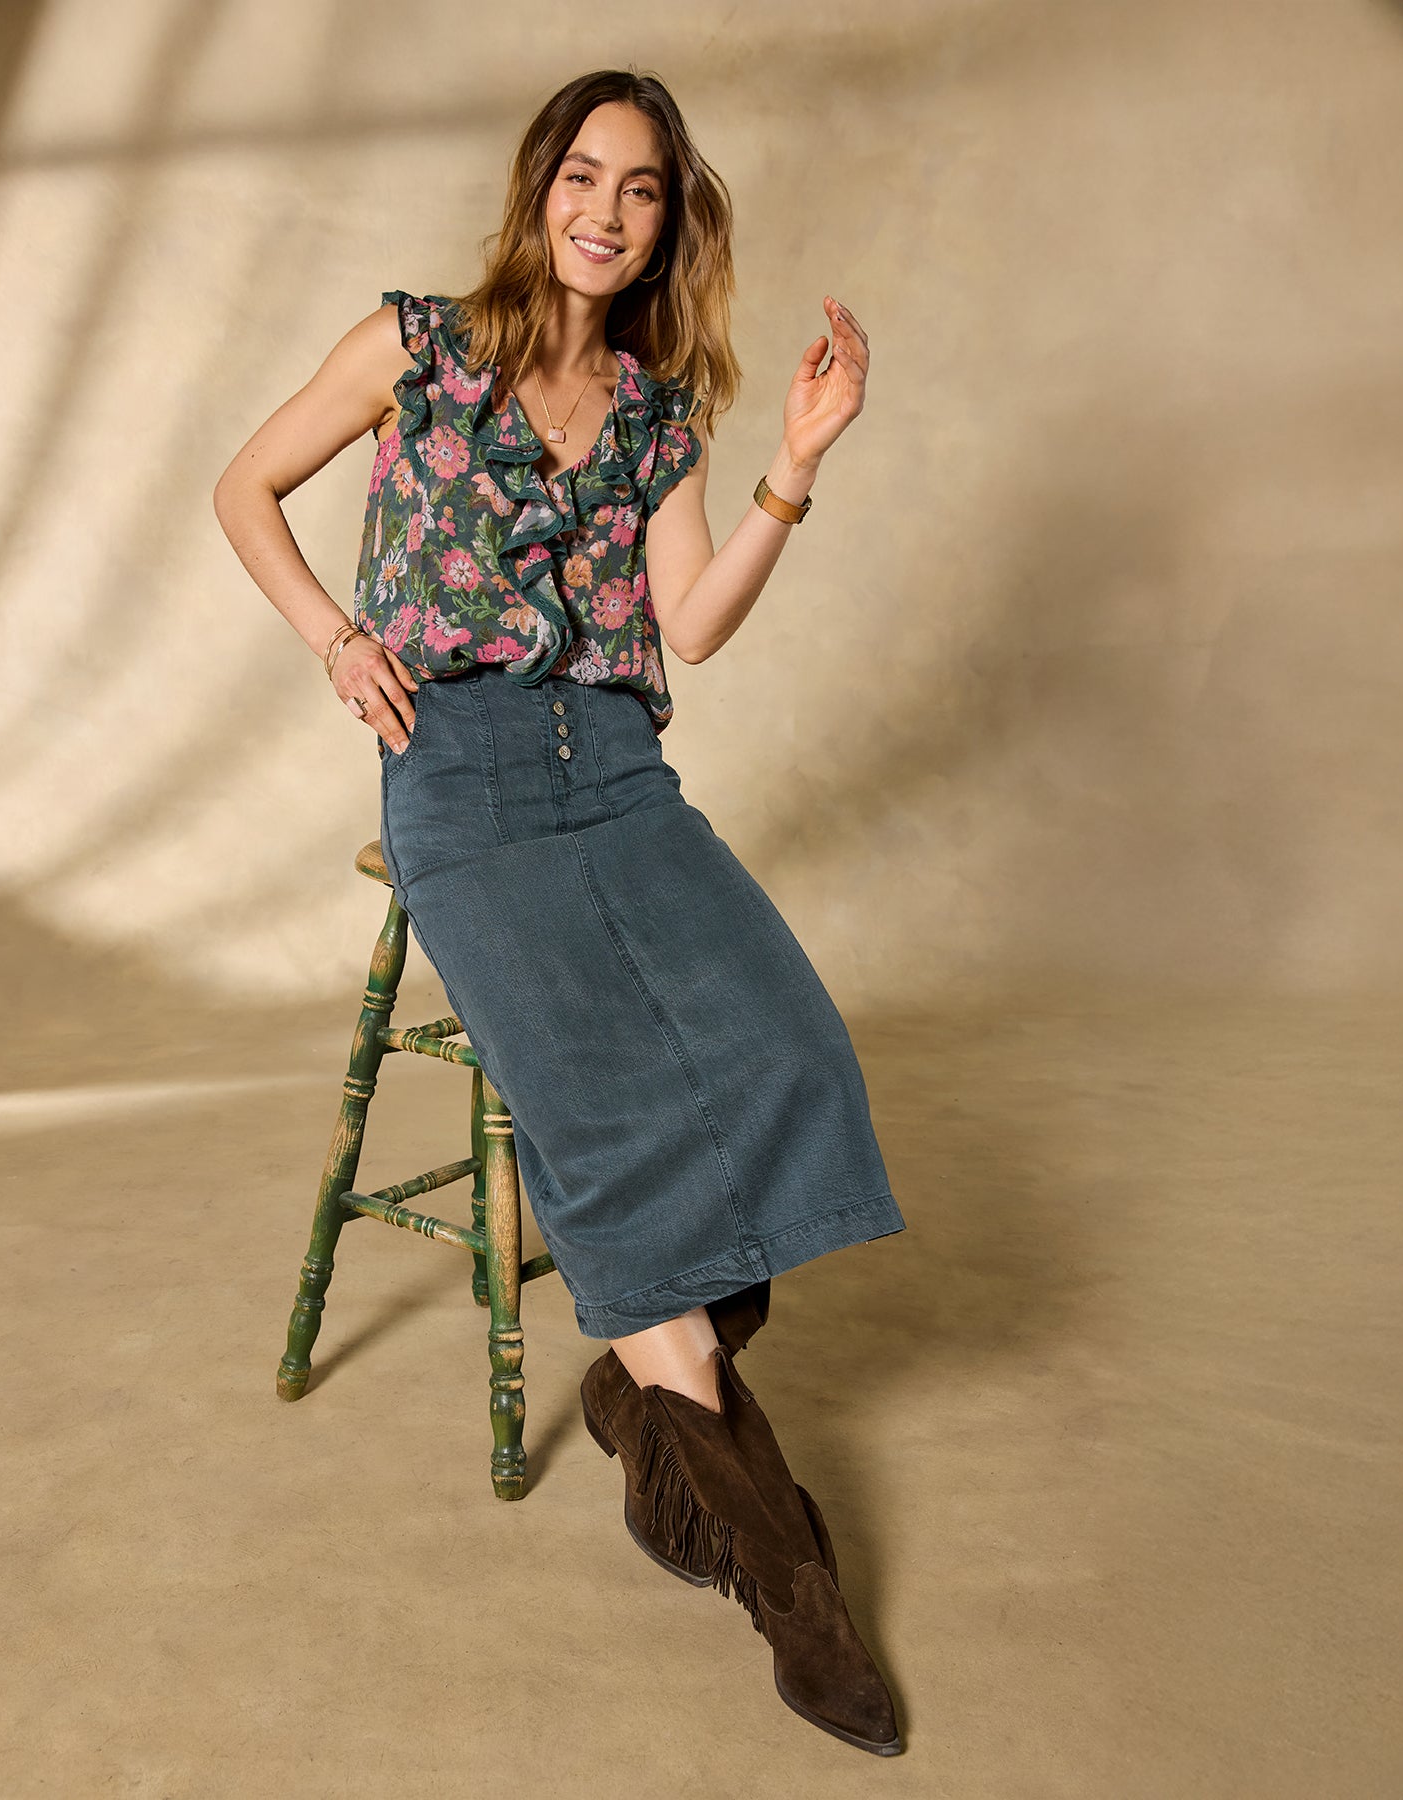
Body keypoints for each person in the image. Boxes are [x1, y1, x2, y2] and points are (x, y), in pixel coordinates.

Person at [214, 67, 906, 1757]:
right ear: (540, 189)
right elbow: (245, 487)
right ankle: (788, 1579)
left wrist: (794, 464)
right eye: (583, 175)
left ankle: (647, 1396)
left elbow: (695, 624)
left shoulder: (661, 416)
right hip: (455, 779)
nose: (606, 209)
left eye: (641, 188)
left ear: (669, 223)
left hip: (613, 766)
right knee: (598, 1116)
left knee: (793, 1050)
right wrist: (336, 638)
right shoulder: (416, 348)